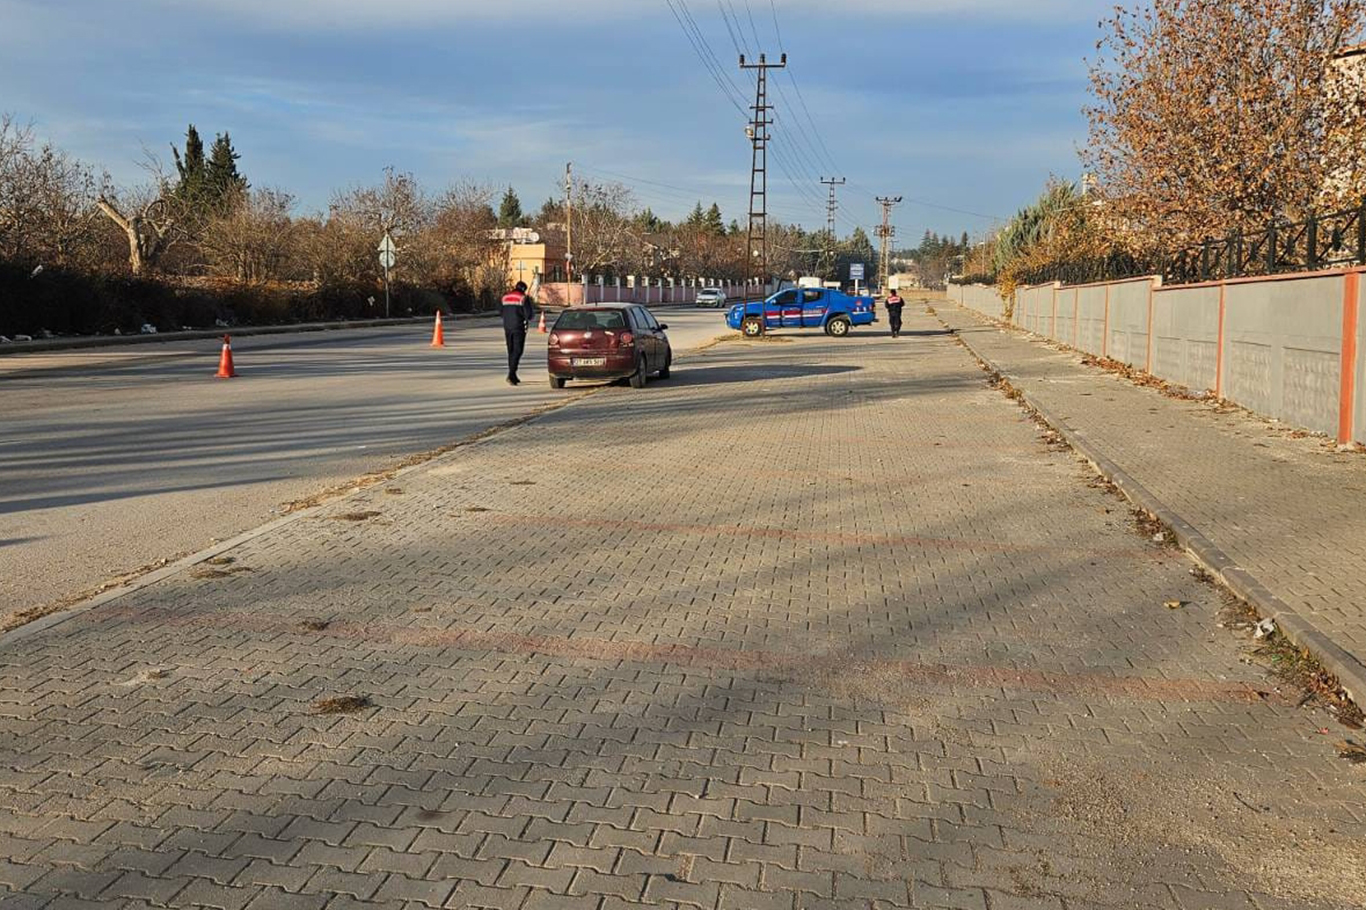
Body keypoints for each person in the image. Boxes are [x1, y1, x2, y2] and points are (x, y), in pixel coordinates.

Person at [500, 281, 535, 385]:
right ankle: (511, 374)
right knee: (517, 351)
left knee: (511, 351)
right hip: (519, 328)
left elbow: (500, 312)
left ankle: (513, 375)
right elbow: (529, 315)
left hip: (507, 327)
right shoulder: (523, 298)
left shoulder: (504, 297)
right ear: (523, 289)